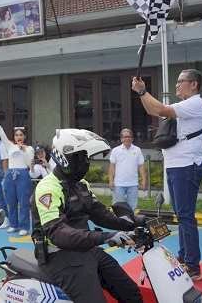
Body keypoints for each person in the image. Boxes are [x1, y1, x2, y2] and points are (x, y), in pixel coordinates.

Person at [33, 128, 142, 303]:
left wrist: (132, 223)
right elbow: (58, 233)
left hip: (86, 249)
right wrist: (105, 237)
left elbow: (101, 215)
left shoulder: (81, 184)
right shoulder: (48, 188)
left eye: (87, 158)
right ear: (64, 157)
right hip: (60, 256)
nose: (85, 162)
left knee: (131, 293)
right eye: (80, 157)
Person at [131, 69, 202, 280]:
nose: (176, 85)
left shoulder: (195, 103)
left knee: (185, 216)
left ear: (194, 84)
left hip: (187, 165)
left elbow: (162, 109)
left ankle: (193, 265)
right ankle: (185, 258)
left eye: (180, 81)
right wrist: (141, 94)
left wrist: (144, 90)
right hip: (177, 165)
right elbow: (153, 111)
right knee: (182, 215)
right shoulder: (185, 105)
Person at [0, 110, 33, 235]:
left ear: (24, 136)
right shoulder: (10, 146)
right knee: (11, 202)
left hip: (23, 175)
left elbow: (29, 164)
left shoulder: (29, 148)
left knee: (23, 202)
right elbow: (2, 134)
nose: (18, 137)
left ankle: (24, 227)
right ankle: (13, 224)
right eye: (16, 135)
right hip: (10, 175)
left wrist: (24, 150)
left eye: (21, 135)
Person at [108, 128, 147, 210]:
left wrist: (144, 180)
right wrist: (111, 181)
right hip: (118, 184)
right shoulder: (115, 151)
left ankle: (130, 222)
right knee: (118, 207)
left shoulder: (137, 150)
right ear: (121, 139)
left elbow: (141, 166)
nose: (127, 138)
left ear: (132, 139)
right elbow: (112, 167)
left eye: (129, 137)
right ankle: (118, 223)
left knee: (132, 208)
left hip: (133, 184)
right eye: (125, 137)